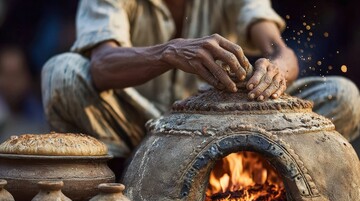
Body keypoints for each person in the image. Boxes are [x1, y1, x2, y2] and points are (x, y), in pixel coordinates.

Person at [42, 0, 360, 175]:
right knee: (62, 72)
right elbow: (102, 65)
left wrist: (276, 70)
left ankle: (255, 170)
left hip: (222, 130)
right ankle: (130, 175)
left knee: (343, 96)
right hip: (140, 129)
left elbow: (282, 52)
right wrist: (168, 52)